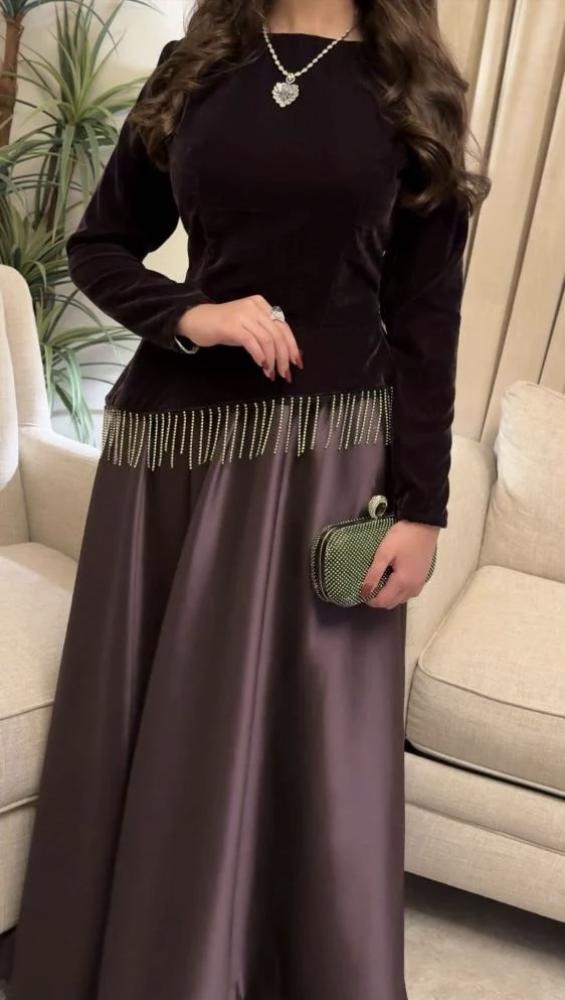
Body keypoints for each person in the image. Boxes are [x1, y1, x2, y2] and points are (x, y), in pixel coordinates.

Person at [4, 1, 489, 998]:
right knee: (160, 724)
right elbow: (99, 246)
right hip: (167, 457)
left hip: (325, 466)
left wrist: (422, 506)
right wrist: (193, 313)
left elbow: (426, 321)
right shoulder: (195, 67)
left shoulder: (412, 87)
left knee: (309, 742)